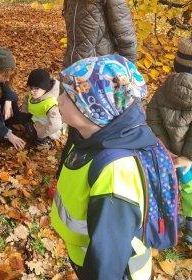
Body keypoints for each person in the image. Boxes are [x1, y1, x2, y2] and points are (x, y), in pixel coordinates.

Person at [51, 55, 155, 279]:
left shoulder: (116, 171)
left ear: (91, 107)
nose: (58, 100)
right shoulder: (86, 138)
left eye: (68, 96)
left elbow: (108, 256)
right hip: (84, 255)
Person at [48, 0, 138, 196]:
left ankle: (81, 183)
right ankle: (67, 179)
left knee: (88, 132)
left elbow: (127, 41)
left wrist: (125, 83)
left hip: (99, 81)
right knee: (74, 128)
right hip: (75, 73)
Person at [146, 25, 192, 245]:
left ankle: (166, 218)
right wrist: (188, 158)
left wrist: (163, 147)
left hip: (165, 152)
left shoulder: (164, 87)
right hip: (191, 157)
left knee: (165, 183)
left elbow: (152, 118)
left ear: (177, 63)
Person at [21, 68, 62, 146]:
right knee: (26, 125)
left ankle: (46, 142)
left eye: (36, 89)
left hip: (48, 128)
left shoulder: (50, 104)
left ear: (45, 88)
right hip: (36, 118)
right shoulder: (35, 93)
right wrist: (24, 113)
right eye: (31, 88)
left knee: (36, 140)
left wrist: (40, 132)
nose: (32, 92)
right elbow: (27, 98)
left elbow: (56, 125)